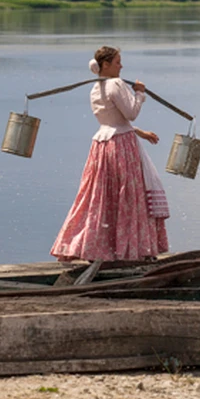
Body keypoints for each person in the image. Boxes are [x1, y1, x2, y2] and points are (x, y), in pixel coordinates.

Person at [51, 45, 169, 262]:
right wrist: (140, 93)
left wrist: (140, 133)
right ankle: (129, 251)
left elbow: (111, 121)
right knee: (128, 196)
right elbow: (131, 113)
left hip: (102, 146)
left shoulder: (96, 88)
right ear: (105, 65)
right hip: (122, 147)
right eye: (117, 62)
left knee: (102, 197)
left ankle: (100, 249)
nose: (121, 66)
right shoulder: (115, 84)